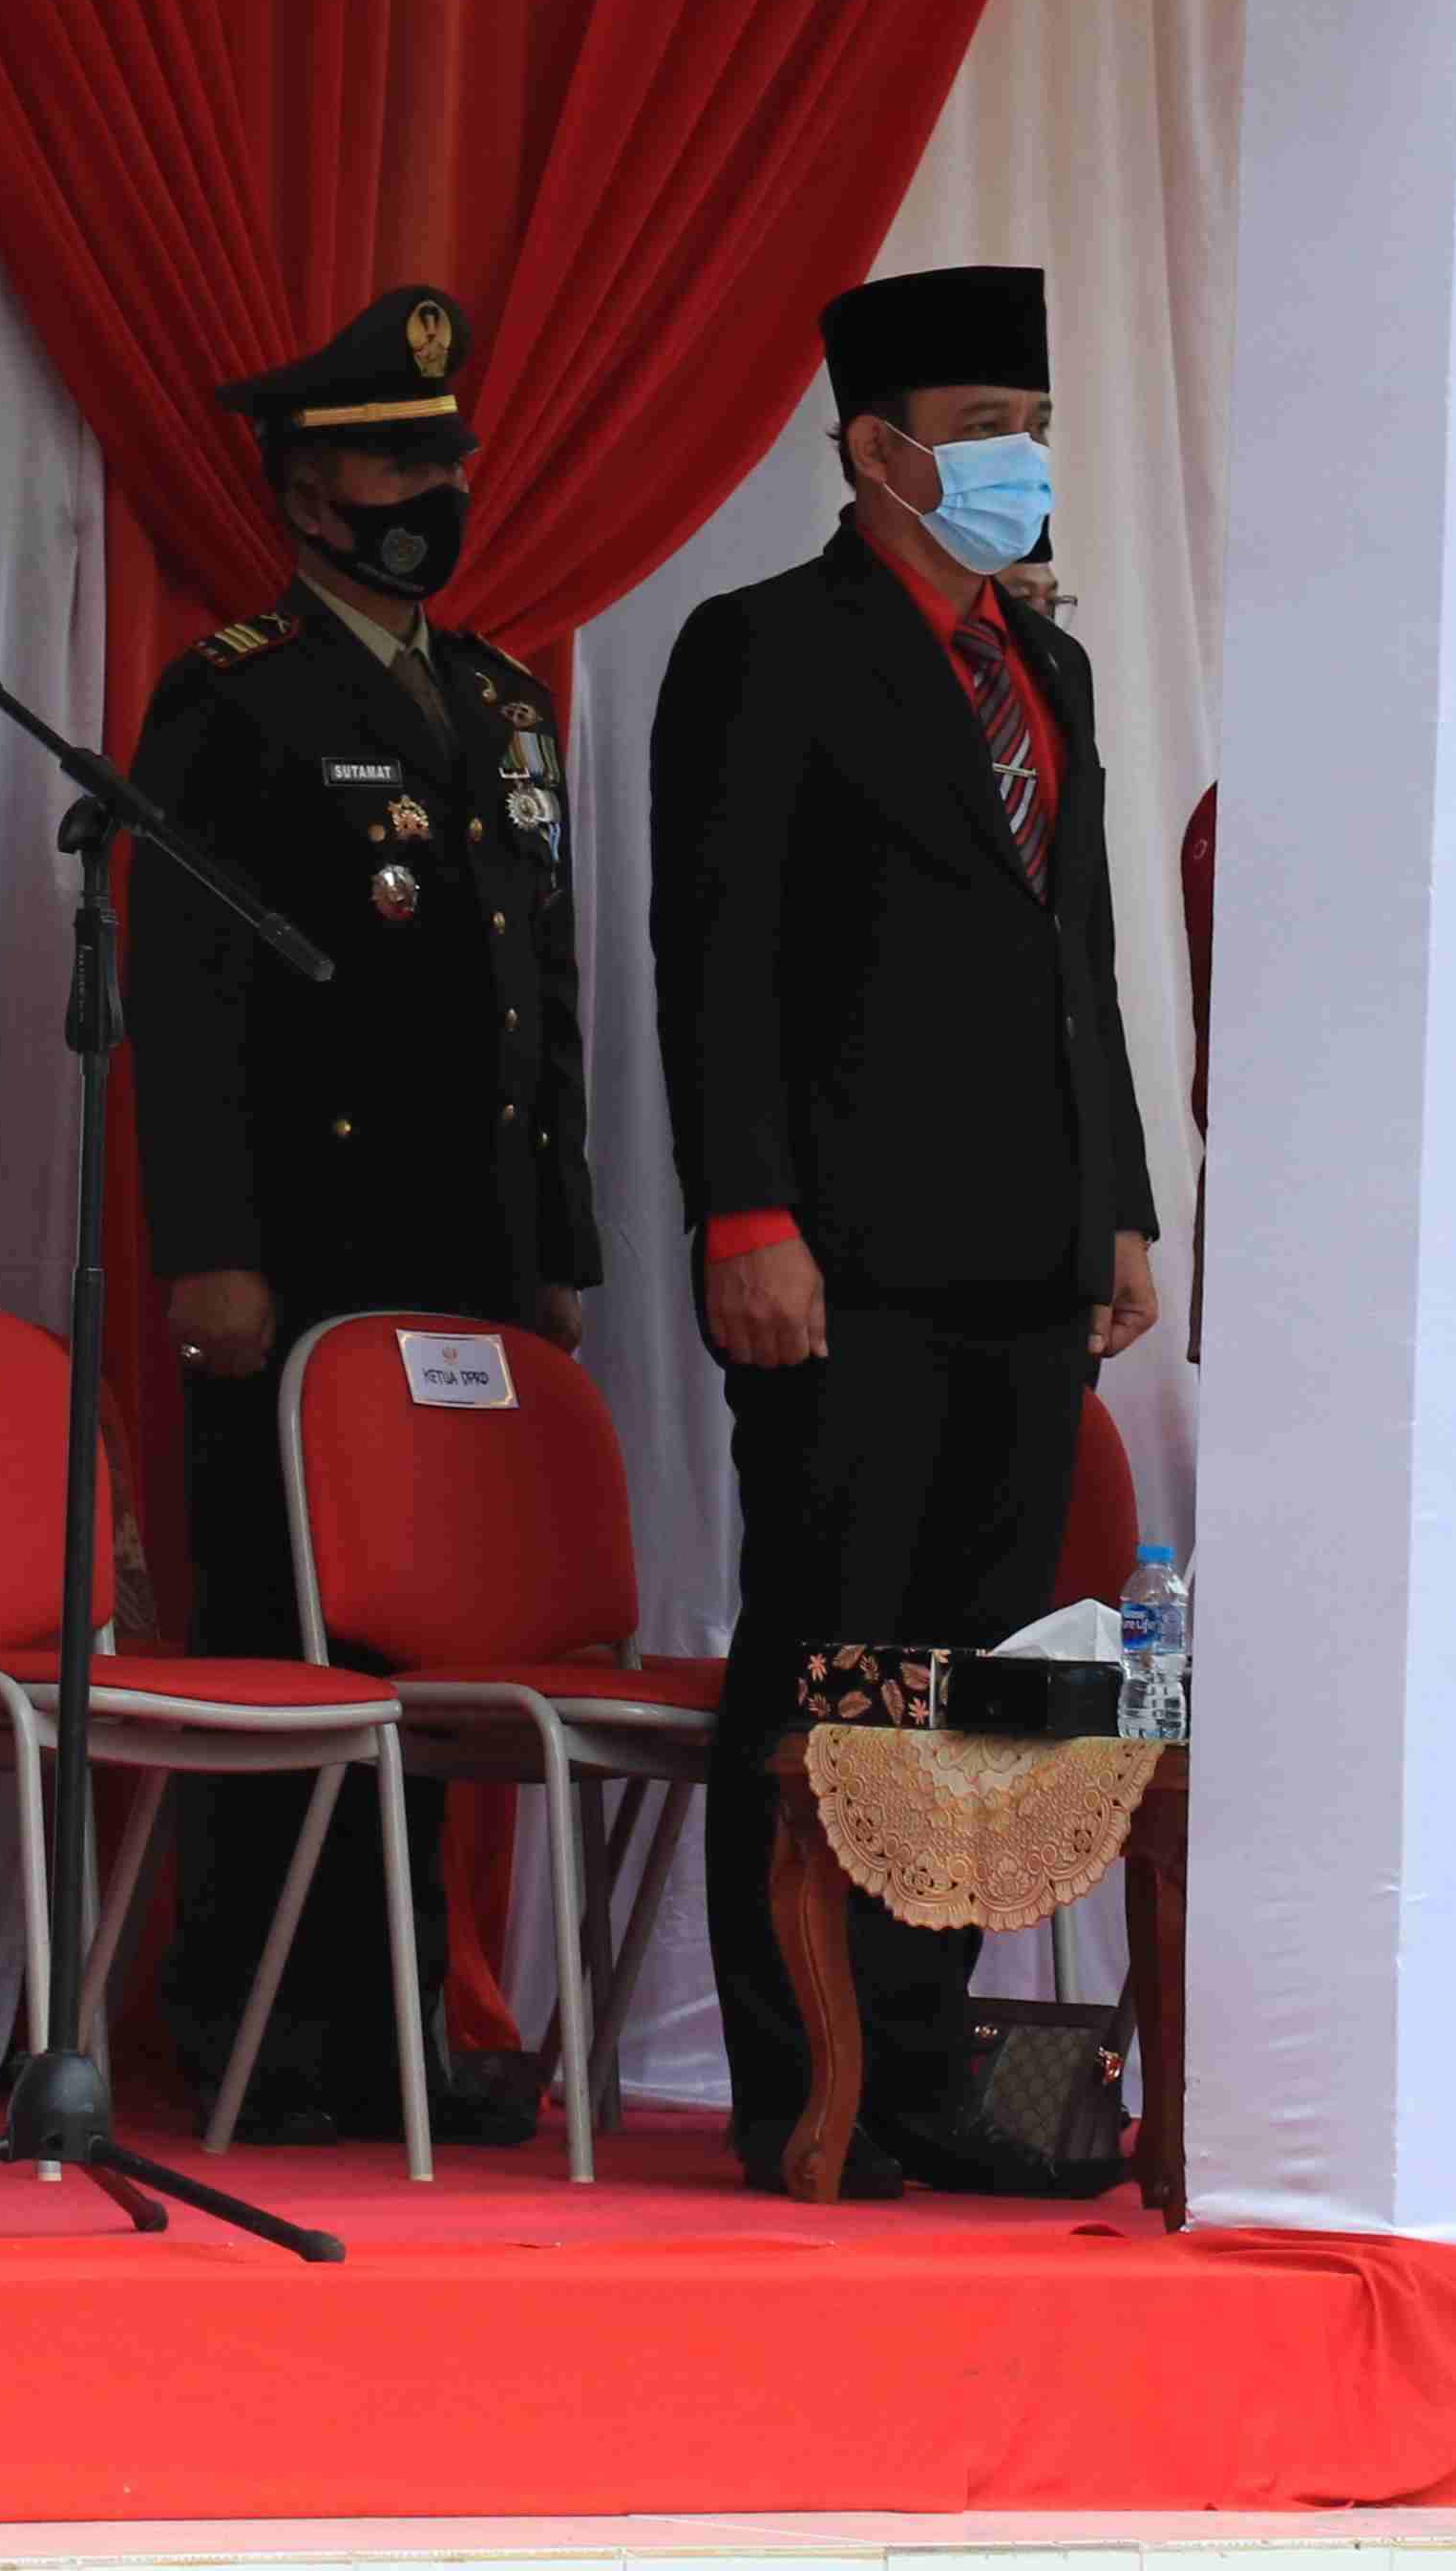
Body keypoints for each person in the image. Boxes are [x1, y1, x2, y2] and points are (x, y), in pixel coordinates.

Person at [646, 263, 1157, 2199]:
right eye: (980, 432)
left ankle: (927, 2058)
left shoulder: (1053, 666)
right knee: (832, 1661)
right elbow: (720, 955)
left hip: (1030, 1252)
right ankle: (805, 2077)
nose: (1020, 462)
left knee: (985, 1676)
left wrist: (1118, 1201)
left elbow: (1080, 960)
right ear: (874, 448)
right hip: (842, 1253)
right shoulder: (763, 646)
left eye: (1034, 426)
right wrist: (747, 1209)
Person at [131, 283, 598, 2148]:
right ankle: (269, 2028)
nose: (433, 484)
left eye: (445, 453)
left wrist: (557, 1236)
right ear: (305, 484)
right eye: (397, 457)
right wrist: (211, 1242)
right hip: (304, 1242)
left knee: (435, 1651)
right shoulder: (234, 690)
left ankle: (406, 2020)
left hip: (466, 1246)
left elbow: (538, 990)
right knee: (294, 1641)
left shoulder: (494, 691)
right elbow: (186, 986)